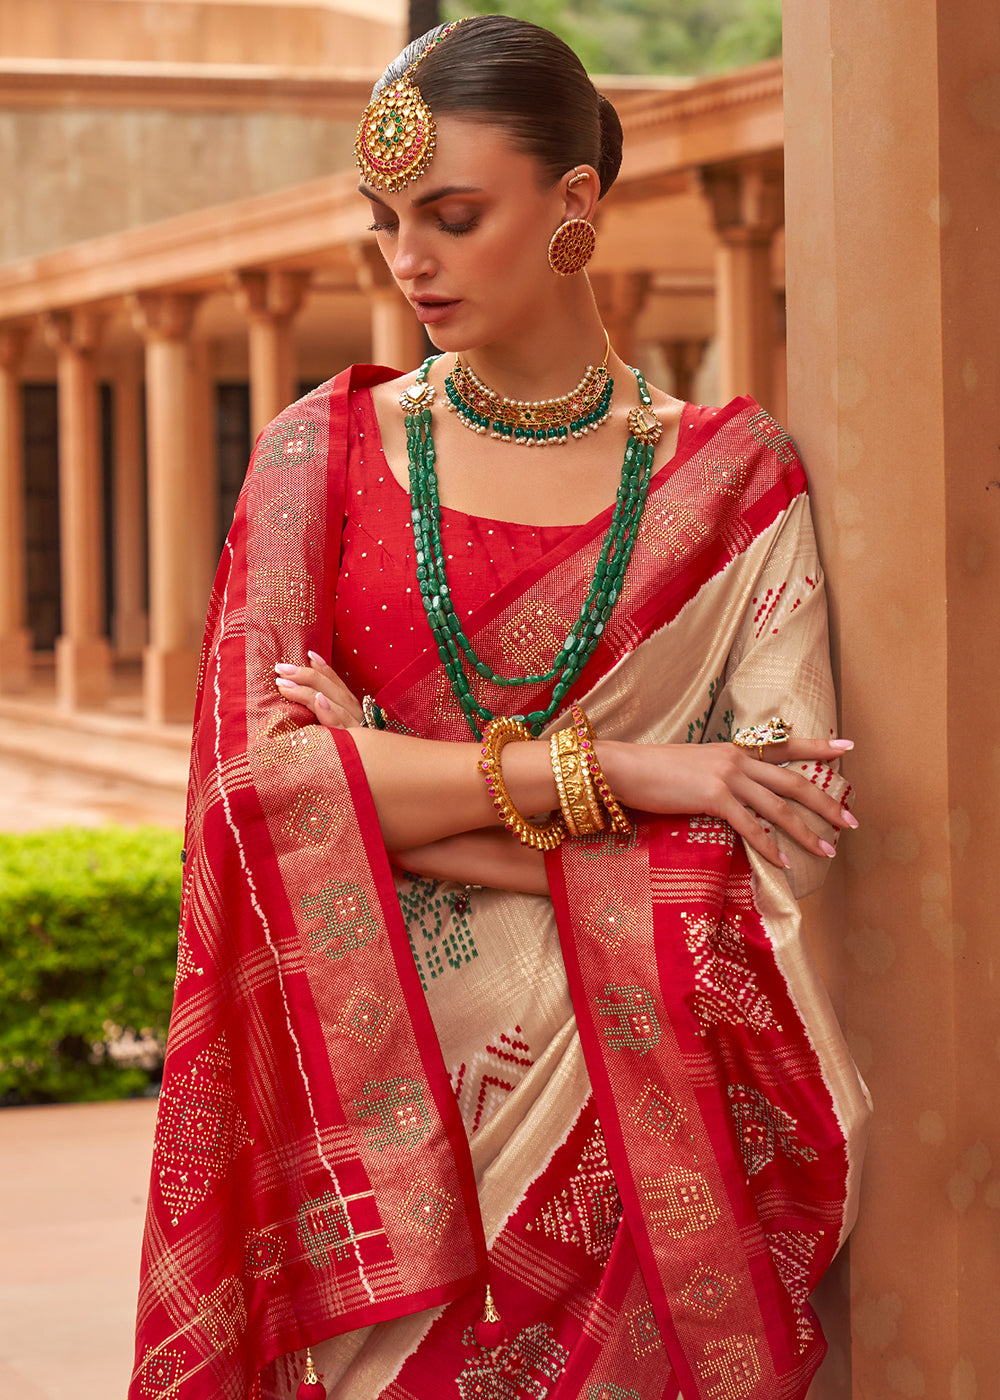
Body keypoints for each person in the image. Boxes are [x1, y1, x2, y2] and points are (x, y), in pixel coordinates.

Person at [130, 16, 870, 1400]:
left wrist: (391, 789)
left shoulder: (732, 486)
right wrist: (646, 776)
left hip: (630, 1161)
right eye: (387, 220)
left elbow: (766, 861)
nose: (407, 258)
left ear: (573, 203)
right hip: (378, 1141)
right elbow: (259, 801)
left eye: (452, 216)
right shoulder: (322, 457)